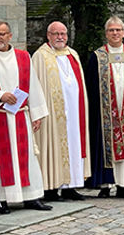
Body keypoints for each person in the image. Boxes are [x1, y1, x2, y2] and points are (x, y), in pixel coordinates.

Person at [0, 20, 52, 214]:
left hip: (20, 117)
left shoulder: (24, 57)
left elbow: (33, 85)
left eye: (1, 34)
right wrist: (0, 96)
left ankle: (31, 197)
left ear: (10, 36)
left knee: (26, 158)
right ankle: (1, 199)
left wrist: (36, 114)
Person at [84, 16, 124, 199]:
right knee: (106, 147)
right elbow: (90, 86)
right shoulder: (98, 57)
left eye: (118, 30)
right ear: (106, 33)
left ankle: (123, 185)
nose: (115, 33)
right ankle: (105, 185)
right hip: (104, 113)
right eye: (111, 30)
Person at [31, 21, 91, 202]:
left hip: (74, 112)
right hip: (51, 113)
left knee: (74, 145)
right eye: (56, 34)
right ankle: (50, 188)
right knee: (53, 147)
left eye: (63, 34)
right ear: (48, 36)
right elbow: (34, 86)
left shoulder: (73, 54)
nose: (60, 37)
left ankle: (70, 186)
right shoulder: (40, 56)